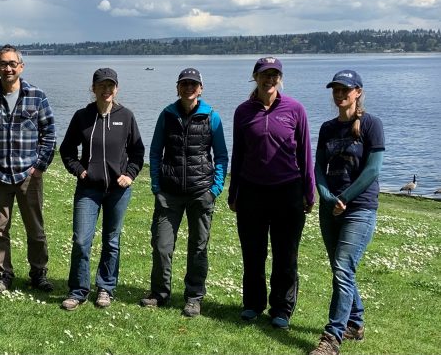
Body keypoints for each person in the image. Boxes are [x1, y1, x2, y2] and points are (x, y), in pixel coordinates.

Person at [228, 56, 315, 329]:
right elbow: (238, 154)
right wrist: (234, 192)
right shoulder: (243, 112)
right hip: (251, 191)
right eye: (265, 74)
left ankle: (282, 308)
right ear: (255, 77)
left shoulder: (295, 109)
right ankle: (253, 304)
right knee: (253, 252)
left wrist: (309, 191)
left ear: (280, 78)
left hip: (288, 191)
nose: (269, 79)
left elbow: (305, 153)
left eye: (274, 74)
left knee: (286, 254)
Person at [140, 67, 228, 318]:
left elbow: (221, 156)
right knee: (161, 245)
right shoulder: (167, 115)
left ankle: (194, 297)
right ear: (177, 88)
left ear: (200, 89)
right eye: (184, 84)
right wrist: (156, 186)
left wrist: (214, 189)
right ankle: (159, 293)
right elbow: (155, 152)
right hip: (169, 193)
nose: (189, 88)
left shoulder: (212, 117)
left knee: (198, 247)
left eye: (193, 84)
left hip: (201, 192)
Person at [0, 44, 56, 294]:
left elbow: (49, 134)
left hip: (29, 175)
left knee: (36, 229)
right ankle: (3, 275)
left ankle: (38, 274)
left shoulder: (37, 96)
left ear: (21, 66)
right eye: (3, 64)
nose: (8, 68)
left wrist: (39, 167)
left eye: (12, 63)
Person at [309, 70, 385, 355]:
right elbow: (318, 167)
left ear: (358, 92)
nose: (340, 94)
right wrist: (327, 196)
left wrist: (345, 198)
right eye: (336, 90)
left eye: (345, 89)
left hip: (359, 208)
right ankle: (355, 323)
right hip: (331, 208)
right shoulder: (328, 128)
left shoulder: (371, 124)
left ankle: (332, 338)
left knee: (342, 268)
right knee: (341, 269)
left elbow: (373, 169)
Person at [59, 68, 145, 310]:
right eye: (101, 86)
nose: (106, 90)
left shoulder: (126, 116)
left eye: (110, 86)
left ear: (116, 89)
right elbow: (67, 150)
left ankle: (105, 288)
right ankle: (78, 291)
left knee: (111, 241)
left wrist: (130, 175)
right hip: (88, 190)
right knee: (81, 241)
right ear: (93, 88)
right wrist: (79, 170)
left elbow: (138, 151)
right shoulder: (82, 116)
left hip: (118, 191)